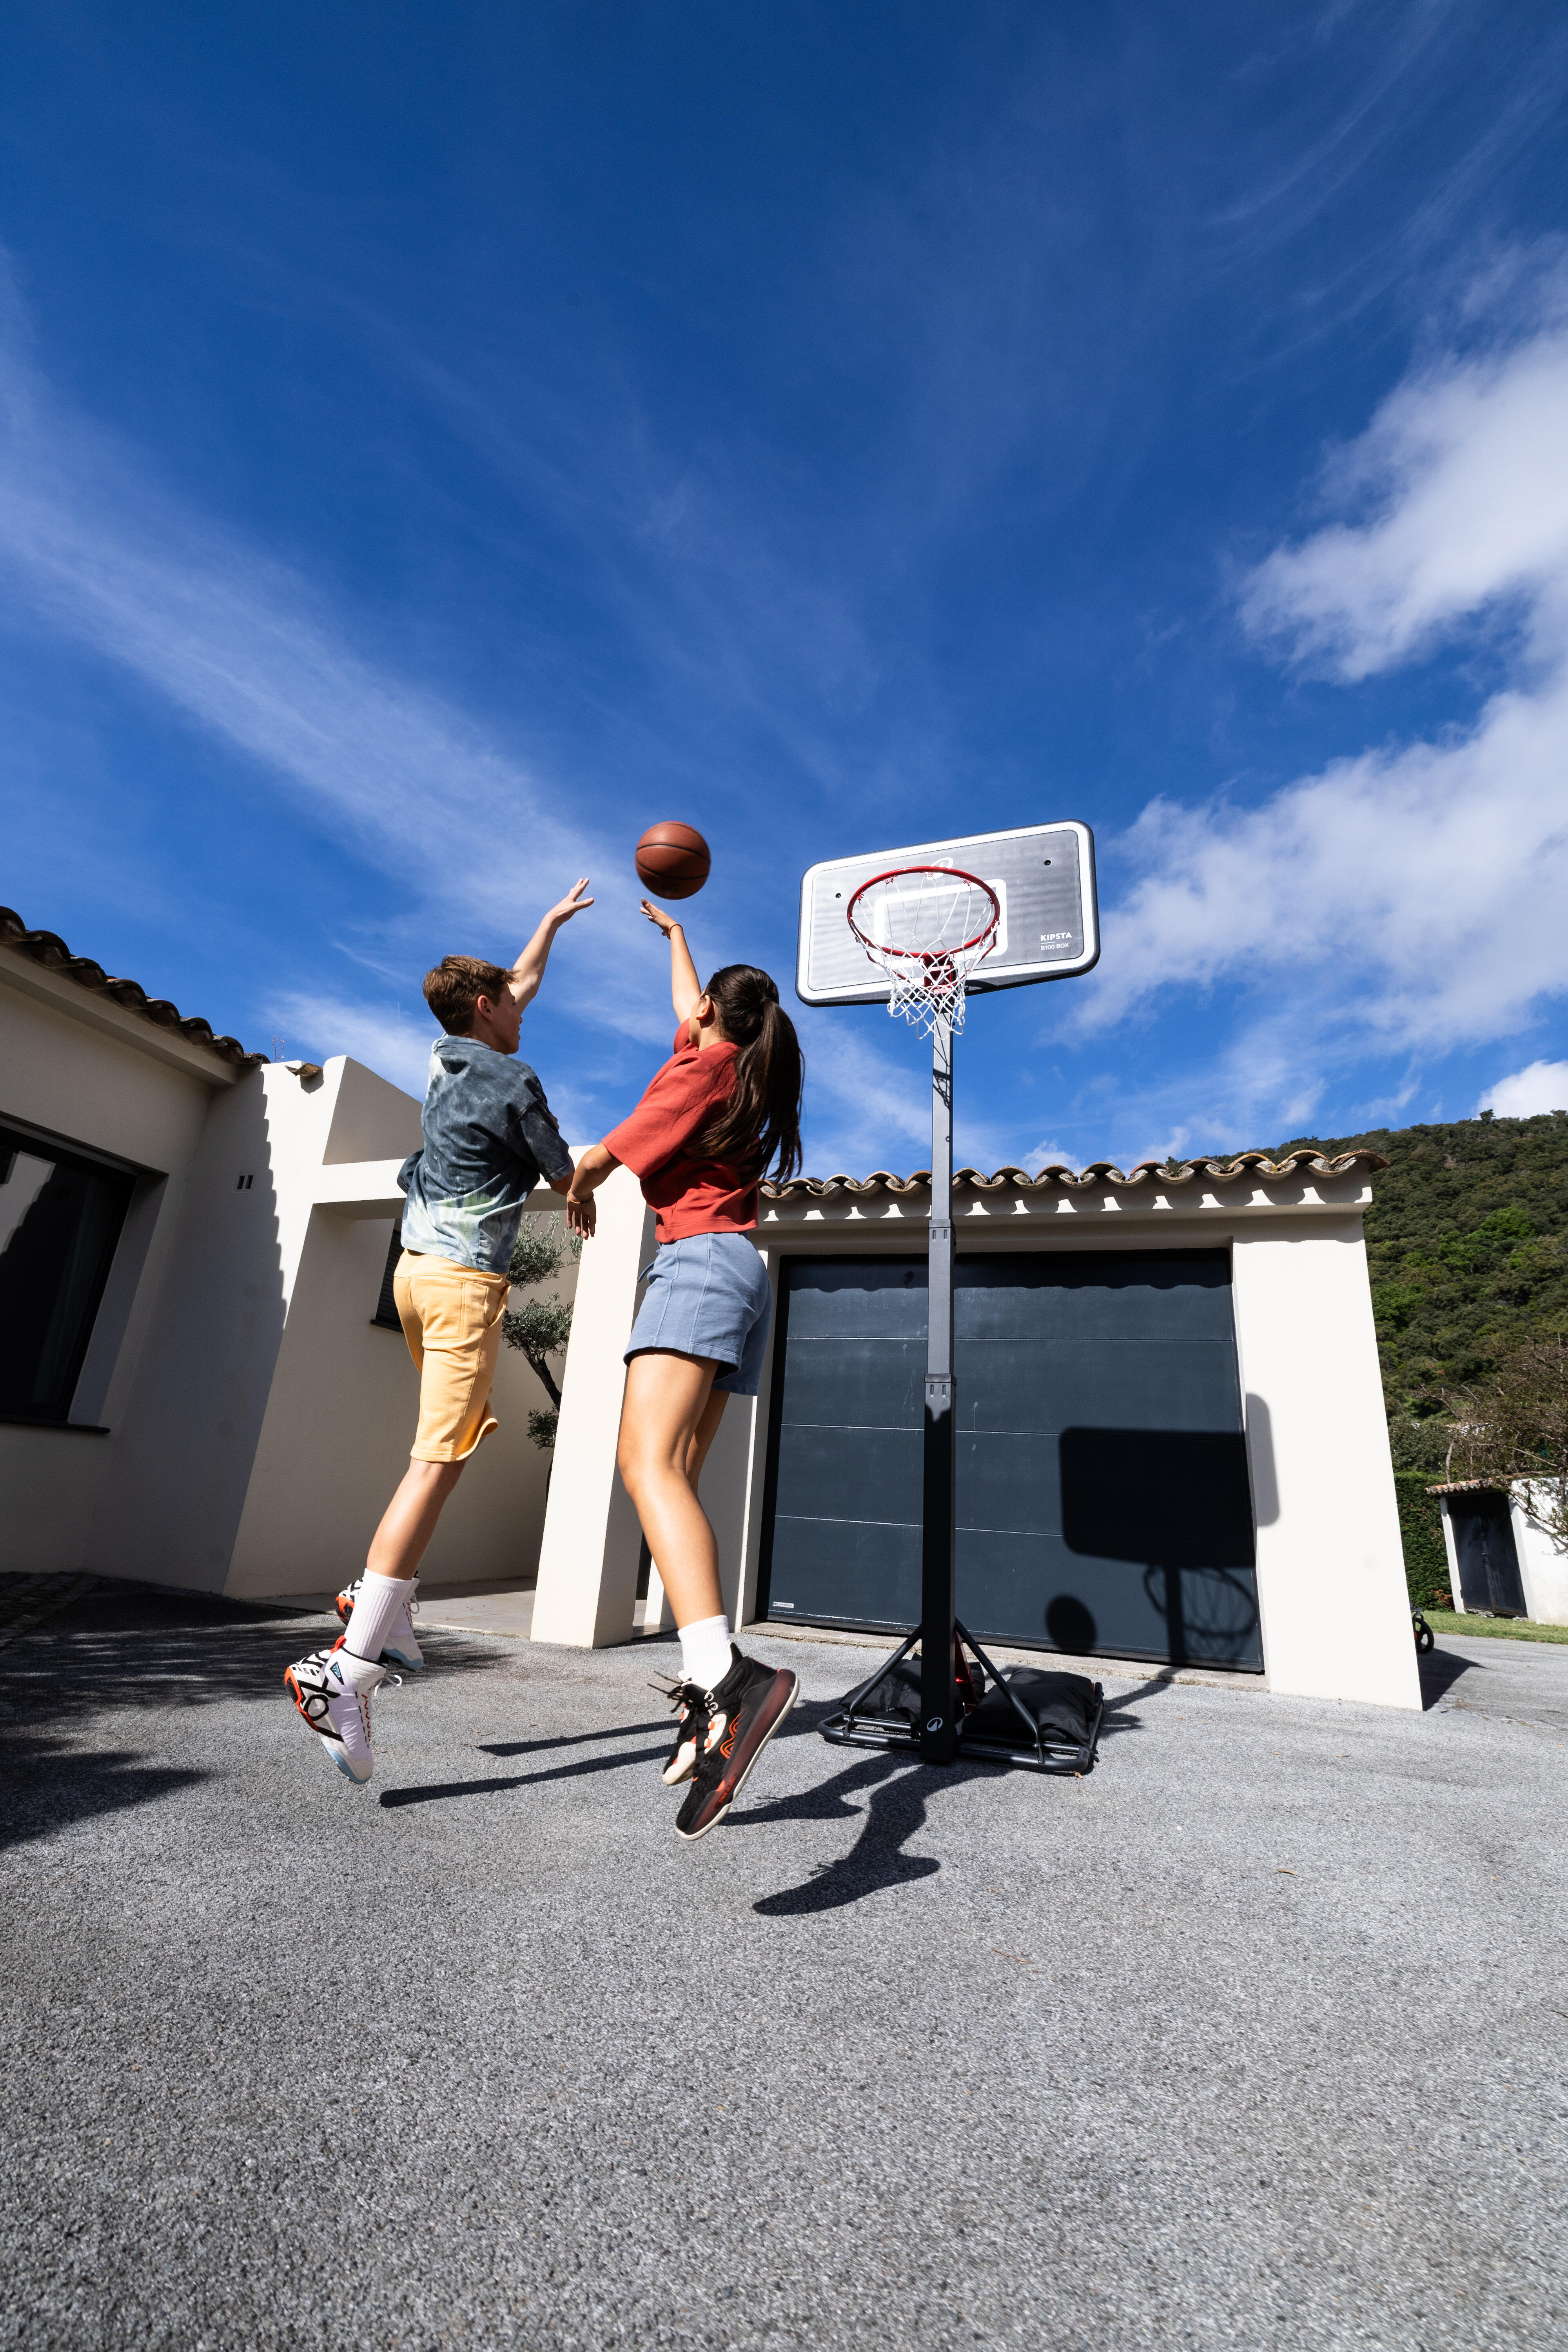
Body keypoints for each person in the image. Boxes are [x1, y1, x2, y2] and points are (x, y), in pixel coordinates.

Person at [285, 881, 592, 1783]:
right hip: (460, 1283)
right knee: (438, 1462)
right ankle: (344, 1667)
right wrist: (591, 1188)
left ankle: (387, 1606)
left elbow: (517, 983)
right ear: (485, 1005)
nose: (524, 1009)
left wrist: (548, 924)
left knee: (451, 1442)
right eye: (512, 1001)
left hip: (414, 1274)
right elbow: (565, 1169)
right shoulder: (510, 1078)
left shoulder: (446, 1057)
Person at [565, 901, 804, 1842]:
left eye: (697, 1000)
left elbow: (613, 1150)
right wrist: (674, 938)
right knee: (676, 1478)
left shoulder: (701, 1070)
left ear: (713, 1014)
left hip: (697, 1264)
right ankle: (710, 1694)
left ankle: (728, 1682)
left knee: (645, 1465)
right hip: (741, 1270)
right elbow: (689, 1004)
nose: (687, 1007)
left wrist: (577, 1182)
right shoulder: (739, 1064)